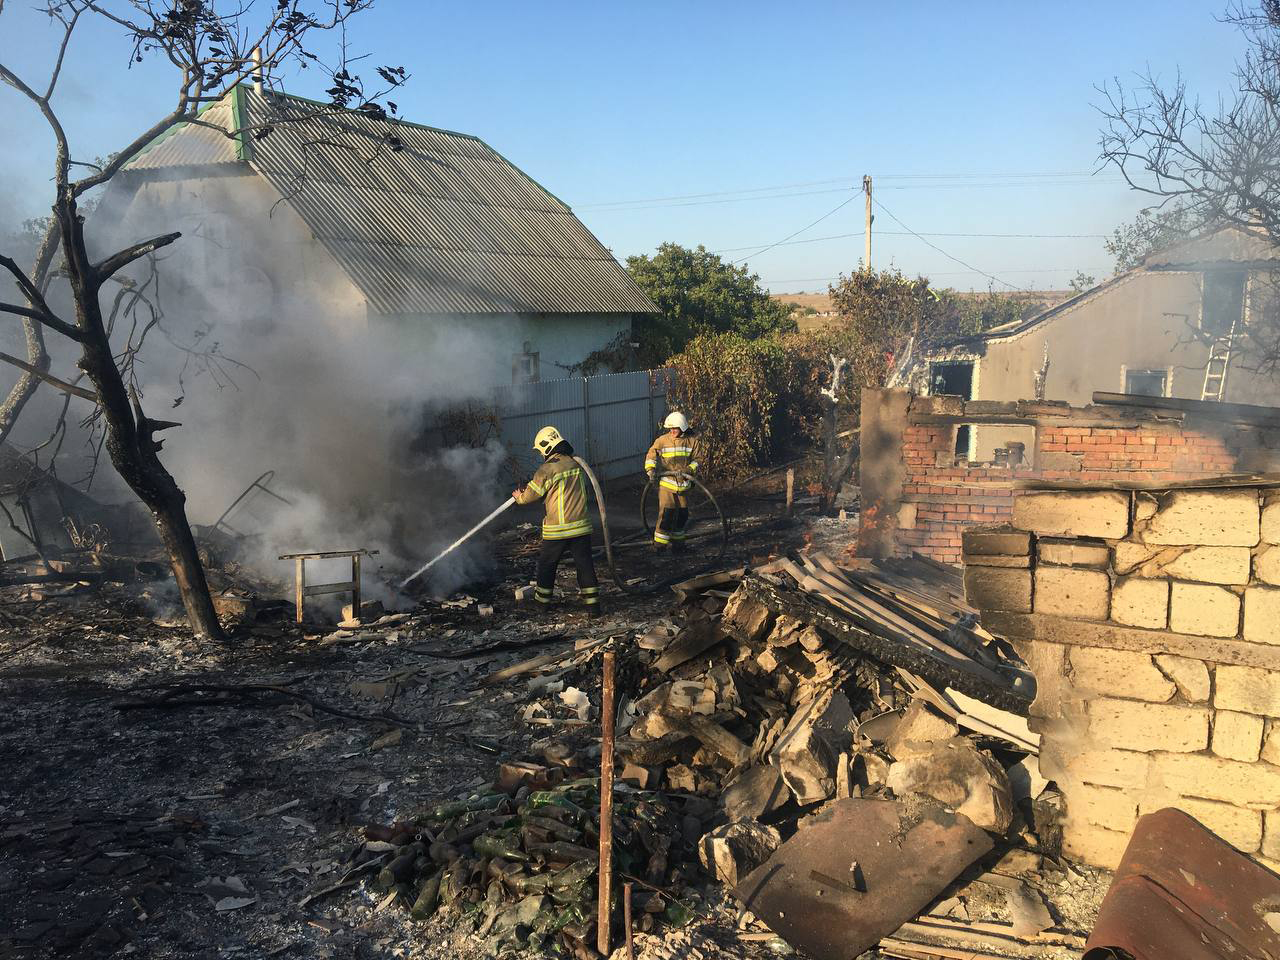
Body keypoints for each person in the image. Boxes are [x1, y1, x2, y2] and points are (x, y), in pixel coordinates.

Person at [513, 425, 601, 615]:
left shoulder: (547, 469)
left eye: (541, 450)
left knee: (547, 565)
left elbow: (530, 496)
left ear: (547, 446)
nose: (541, 455)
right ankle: (593, 606)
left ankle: (541, 604)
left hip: (558, 529)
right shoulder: (574, 463)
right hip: (581, 526)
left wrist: (519, 496)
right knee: (584, 565)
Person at [644, 411, 698, 551]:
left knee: (682, 515)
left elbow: (698, 460)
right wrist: (650, 470)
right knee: (667, 514)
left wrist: (689, 469)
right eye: (670, 428)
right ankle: (659, 546)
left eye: (675, 428)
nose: (672, 431)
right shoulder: (662, 441)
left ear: (683, 427)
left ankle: (678, 545)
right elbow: (651, 455)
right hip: (667, 484)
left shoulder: (692, 441)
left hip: (684, 485)